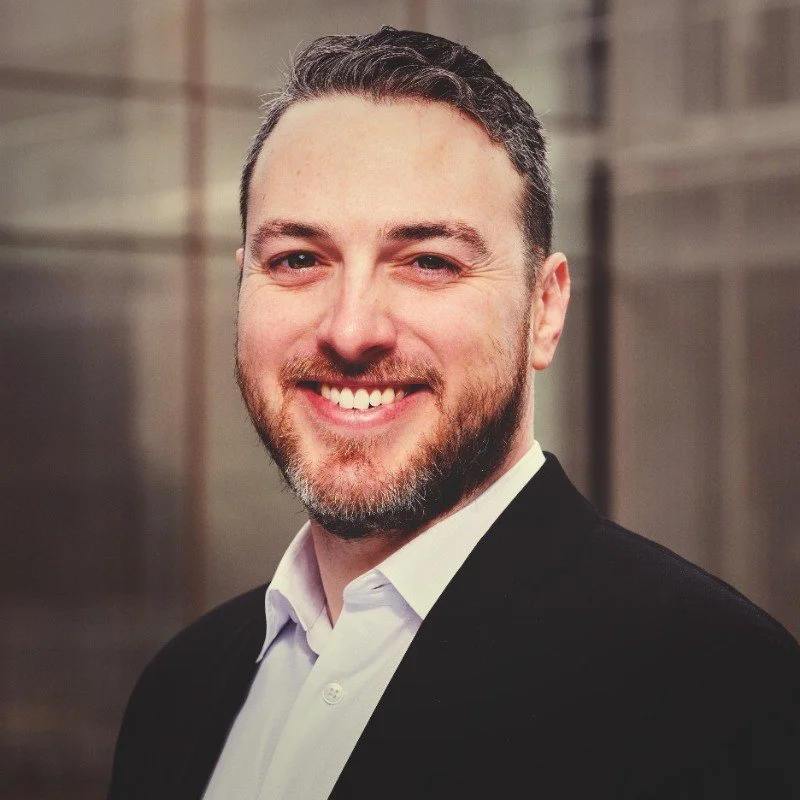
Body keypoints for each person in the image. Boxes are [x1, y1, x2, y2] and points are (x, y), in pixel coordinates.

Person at [107, 27, 799, 800]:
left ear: (544, 309)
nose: (351, 330)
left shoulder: (715, 693)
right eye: (298, 259)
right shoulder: (179, 692)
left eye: (429, 262)